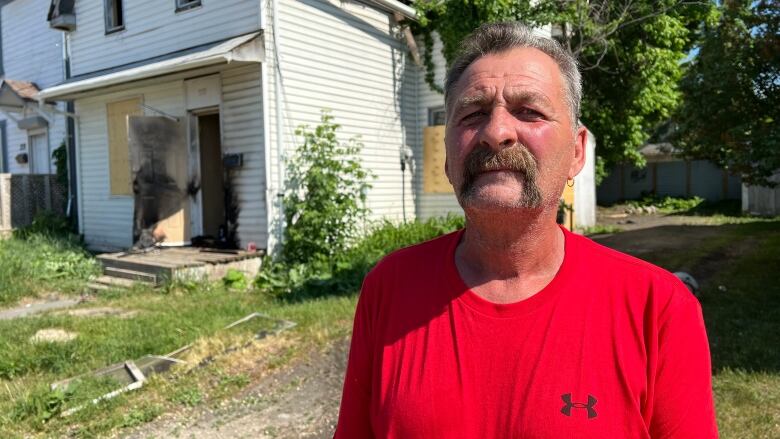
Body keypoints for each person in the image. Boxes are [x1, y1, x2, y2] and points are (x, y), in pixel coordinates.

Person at [334, 22, 718, 438]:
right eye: (473, 113)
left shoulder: (657, 309)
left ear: (576, 151)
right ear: (448, 156)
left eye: (529, 111)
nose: (496, 132)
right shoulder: (389, 289)